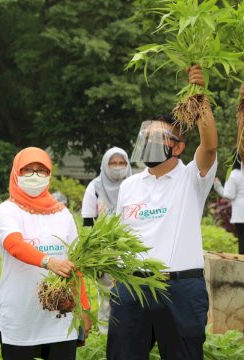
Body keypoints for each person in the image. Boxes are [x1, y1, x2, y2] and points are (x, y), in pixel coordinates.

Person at [108, 65, 217, 360]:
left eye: (159, 138)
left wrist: (200, 98)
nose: (150, 143)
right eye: (147, 137)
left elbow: (209, 147)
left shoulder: (191, 178)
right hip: (132, 289)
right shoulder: (130, 185)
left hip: (180, 288)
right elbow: (120, 236)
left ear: (178, 147)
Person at [0, 147, 91, 360]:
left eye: (41, 170)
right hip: (21, 318)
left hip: (60, 318)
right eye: (27, 170)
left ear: (49, 175)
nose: (34, 175)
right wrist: (49, 262)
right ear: (16, 173)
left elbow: (75, 265)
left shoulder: (63, 214)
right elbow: (14, 244)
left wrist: (84, 307)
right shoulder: (6, 211)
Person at [81, 147, 131, 334]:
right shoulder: (95, 187)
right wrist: (94, 256)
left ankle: (128, 332)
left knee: (131, 294)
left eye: (122, 163)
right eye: (113, 163)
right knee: (107, 295)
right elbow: (87, 224)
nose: (118, 167)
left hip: (130, 249)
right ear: (105, 165)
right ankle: (105, 333)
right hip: (105, 252)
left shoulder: (135, 186)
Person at [214, 157, 244, 254]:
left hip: (241, 214)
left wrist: (218, 186)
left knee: (242, 242)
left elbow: (229, 195)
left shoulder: (235, 174)